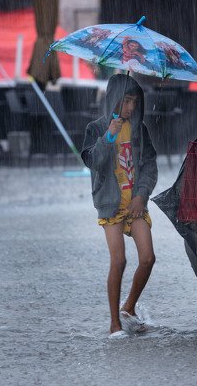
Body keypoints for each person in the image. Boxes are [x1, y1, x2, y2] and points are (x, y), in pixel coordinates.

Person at [81, 74, 158, 338]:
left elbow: (149, 166)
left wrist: (142, 196)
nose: (131, 108)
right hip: (110, 204)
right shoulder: (96, 128)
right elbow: (94, 162)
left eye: (135, 102)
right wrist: (109, 136)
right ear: (114, 100)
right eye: (126, 101)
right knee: (120, 260)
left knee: (148, 258)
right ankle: (114, 323)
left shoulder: (140, 129)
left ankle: (129, 308)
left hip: (134, 202)